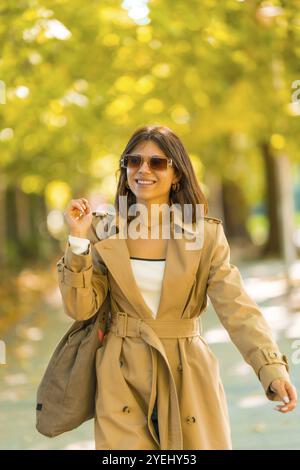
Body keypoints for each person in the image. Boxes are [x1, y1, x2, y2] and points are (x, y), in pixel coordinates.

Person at [58, 124, 297, 450]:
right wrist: (77, 240)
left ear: (177, 174)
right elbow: (80, 308)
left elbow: (236, 306)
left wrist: (271, 367)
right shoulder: (105, 229)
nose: (143, 170)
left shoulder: (203, 234)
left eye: (156, 163)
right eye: (133, 161)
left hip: (187, 373)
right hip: (121, 375)